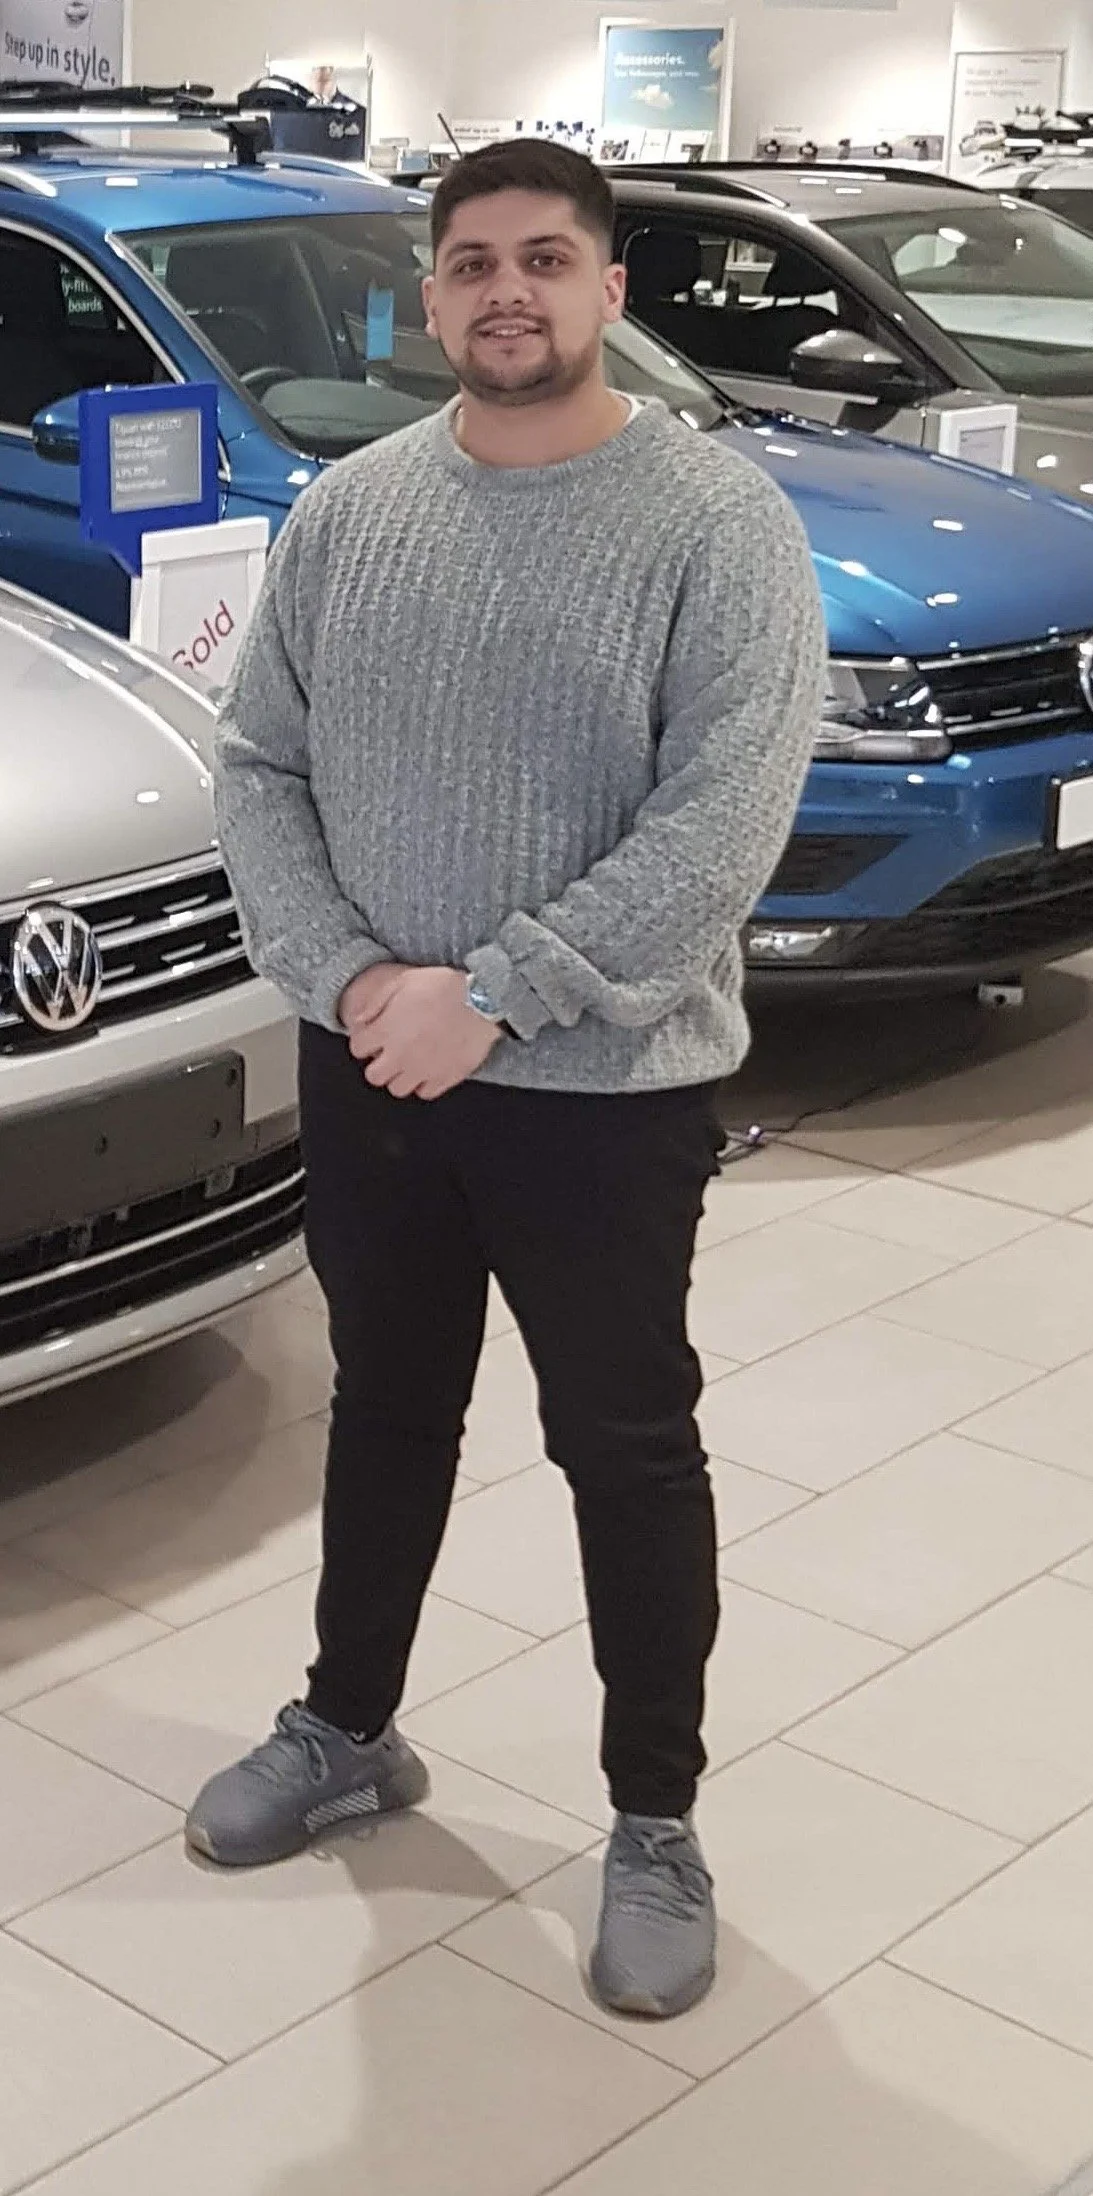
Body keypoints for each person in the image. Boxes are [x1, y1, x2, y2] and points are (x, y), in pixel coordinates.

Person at [188, 139, 826, 2021]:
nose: (507, 295)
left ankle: (653, 1818)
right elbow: (258, 768)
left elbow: (725, 821)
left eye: (546, 259)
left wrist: (500, 993)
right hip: (378, 1060)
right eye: (471, 264)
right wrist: (358, 977)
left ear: (611, 287)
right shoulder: (354, 511)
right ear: (432, 294)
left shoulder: (714, 524)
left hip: (605, 1092)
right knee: (384, 1410)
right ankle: (349, 1727)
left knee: (621, 1448)